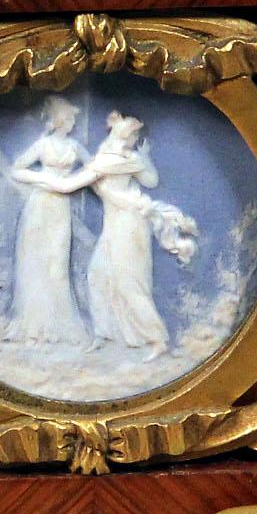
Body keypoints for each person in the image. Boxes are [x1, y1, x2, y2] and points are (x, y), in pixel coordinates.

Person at [84, 110, 193, 355]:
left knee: (129, 282)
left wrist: (144, 159)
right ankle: (105, 333)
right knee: (97, 274)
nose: (133, 138)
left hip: (129, 223)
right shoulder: (106, 154)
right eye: (132, 133)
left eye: (133, 134)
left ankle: (157, 340)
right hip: (113, 223)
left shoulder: (127, 158)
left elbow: (151, 181)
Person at [3, 95, 101, 346]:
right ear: (58, 120)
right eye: (68, 118)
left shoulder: (74, 147)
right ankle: (33, 327)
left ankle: (58, 325)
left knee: (56, 264)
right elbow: (17, 169)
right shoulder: (43, 145)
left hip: (60, 209)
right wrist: (47, 180)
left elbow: (95, 170)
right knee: (34, 261)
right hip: (40, 205)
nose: (71, 122)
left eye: (72, 119)